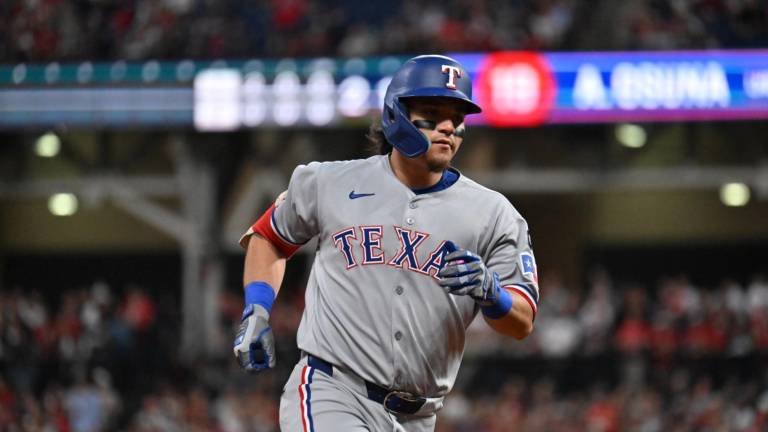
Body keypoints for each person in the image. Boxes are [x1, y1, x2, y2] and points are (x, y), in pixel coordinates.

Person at [233, 54, 539, 432]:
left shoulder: (494, 213)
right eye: (433, 114)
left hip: (418, 416)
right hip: (332, 390)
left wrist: (494, 295)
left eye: (456, 118)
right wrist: (257, 309)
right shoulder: (329, 183)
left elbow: (522, 321)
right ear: (397, 114)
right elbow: (269, 238)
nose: (448, 127)